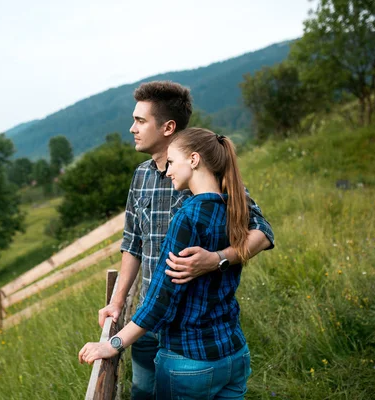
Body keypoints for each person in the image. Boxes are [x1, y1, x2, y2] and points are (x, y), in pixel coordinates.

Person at [93, 81, 274, 399]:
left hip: (193, 329)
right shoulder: (141, 175)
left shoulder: (211, 177)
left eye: (140, 121)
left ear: (168, 127)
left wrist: (217, 259)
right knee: (142, 392)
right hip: (146, 321)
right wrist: (117, 303)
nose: (132, 128)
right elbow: (133, 244)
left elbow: (262, 233)